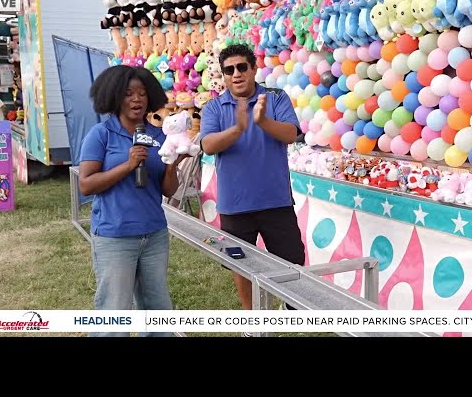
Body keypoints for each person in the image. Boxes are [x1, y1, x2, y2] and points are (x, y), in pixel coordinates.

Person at [78, 65, 188, 337]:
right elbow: (86, 184)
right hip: (114, 236)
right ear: (116, 97)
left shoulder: (160, 135)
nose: (137, 100)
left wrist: (173, 165)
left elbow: (168, 190)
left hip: (154, 235)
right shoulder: (101, 134)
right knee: (114, 312)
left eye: (142, 94)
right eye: (128, 94)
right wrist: (128, 165)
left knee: (157, 312)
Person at [199, 44, 306, 321]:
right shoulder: (213, 107)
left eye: (241, 67)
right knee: (241, 265)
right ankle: (251, 317)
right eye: (229, 70)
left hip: (276, 200)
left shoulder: (275, 97)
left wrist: (261, 121)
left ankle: (290, 306)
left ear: (253, 69)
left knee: (292, 260)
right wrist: (238, 128)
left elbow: (291, 134)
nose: (236, 74)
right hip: (235, 205)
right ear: (223, 75)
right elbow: (208, 145)